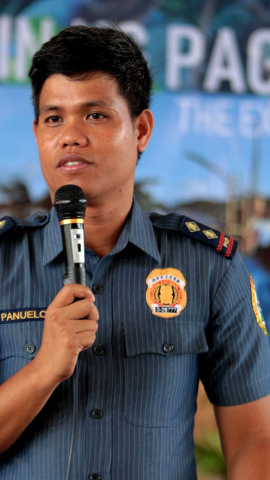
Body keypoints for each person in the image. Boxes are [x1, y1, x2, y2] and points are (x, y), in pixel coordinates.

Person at [0, 25, 270, 480]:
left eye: (95, 115)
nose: (70, 136)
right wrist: (44, 368)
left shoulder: (208, 267)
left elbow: (253, 439)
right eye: (54, 118)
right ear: (37, 132)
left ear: (141, 129)